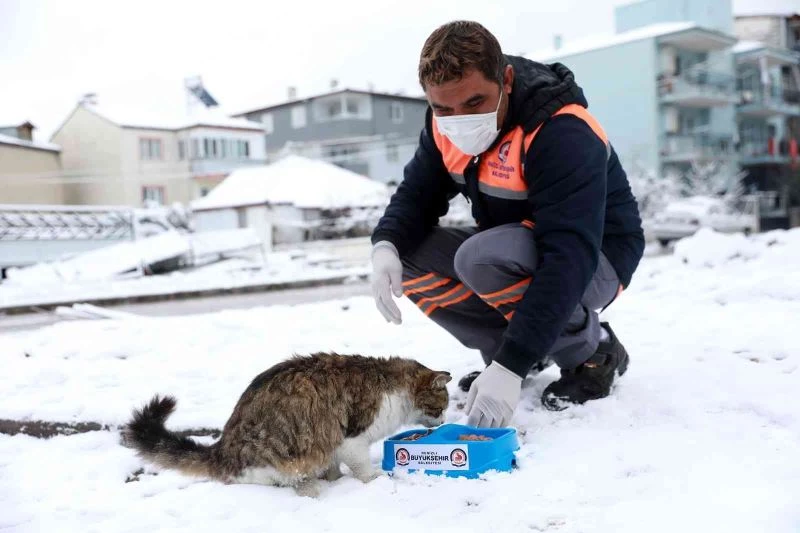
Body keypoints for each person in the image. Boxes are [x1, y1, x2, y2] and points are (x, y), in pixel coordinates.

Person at [369, 20, 645, 428]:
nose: (458, 119)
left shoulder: (561, 130)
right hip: (515, 248)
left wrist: (511, 365)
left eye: (475, 102)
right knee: (409, 255)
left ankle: (591, 352)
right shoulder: (441, 125)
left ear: (507, 81)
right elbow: (417, 196)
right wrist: (385, 246)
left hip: (595, 257)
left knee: (480, 258)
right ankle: (514, 348)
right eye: (443, 108)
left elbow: (568, 255)